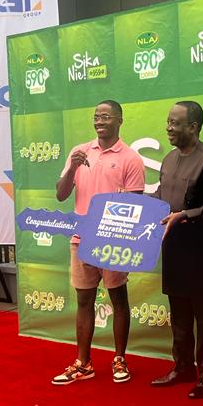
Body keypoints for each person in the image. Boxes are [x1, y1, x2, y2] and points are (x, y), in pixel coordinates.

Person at [51, 100, 145, 386]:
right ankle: (83, 363)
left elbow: (135, 206)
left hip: (112, 241)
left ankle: (119, 358)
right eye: (96, 116)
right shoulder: (80, 152)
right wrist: (72, 168)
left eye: (105, 116)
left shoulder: (131, 158)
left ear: (119, 120)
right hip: (81, 240)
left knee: (118, 299)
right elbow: (61, 194)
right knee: (84, 300)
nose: (99, 121)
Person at [152, 101, 203, 399]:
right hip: (173, 251)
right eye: (168, 122)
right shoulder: (168, 159)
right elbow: (160, 197)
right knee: (179, 314)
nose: (168, 128)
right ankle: (182, 368)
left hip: (201, 253)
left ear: (193, 127)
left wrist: (185, 215)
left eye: (175, 123)